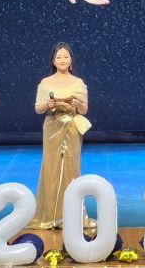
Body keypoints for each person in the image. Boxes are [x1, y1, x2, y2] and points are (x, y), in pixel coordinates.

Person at [27, 43, 91, 230]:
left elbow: (84, 110)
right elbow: (38, 109)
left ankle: (72, 215)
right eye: (59, 57)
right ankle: (49, 216)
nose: (62, 60)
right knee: (51, 167)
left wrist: (77, 103)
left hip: (72, 127)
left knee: (72, 168)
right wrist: (47, 104)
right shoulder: (45, 82)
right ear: (53, 61)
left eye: (66, 57)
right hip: (52, 126)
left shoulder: (78, 82)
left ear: (71, 60)